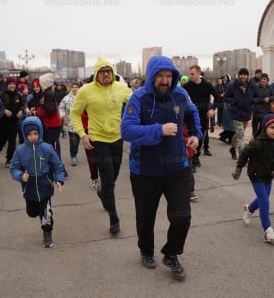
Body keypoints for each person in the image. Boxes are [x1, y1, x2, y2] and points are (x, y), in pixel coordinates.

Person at [121, 55, 201, 281]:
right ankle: (146, 251)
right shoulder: (138, 98)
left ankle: (171, 253)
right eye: (161, 76)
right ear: (151, 77)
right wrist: (158, 130)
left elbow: (193, 113)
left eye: (169, 76)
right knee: (146, 218)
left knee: (182, 216)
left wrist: (196, 134)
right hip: (145, 171)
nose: (165, 80)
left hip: (177, 168)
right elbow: (126, 131)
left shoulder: (181, 94)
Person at [70, 58, 132, 235]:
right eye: (103, 71)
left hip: (117, 139)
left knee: (114, 176)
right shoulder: (86, 91)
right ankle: (114, 218)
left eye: (109, 71)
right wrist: (83, 135)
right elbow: (74, 113)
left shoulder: (121, 88)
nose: (106, 74)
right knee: (108, 180)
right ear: (97, 74)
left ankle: (103, 193)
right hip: (98, 140)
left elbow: (137, 102)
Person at [10, 116, 65, 248]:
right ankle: (37, 212)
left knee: (46, 212)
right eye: (29, 134)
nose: (33, 137)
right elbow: (14, 168)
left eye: (35, 133)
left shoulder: (47, 148)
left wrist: (58, 179)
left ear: (40, 132)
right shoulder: (20, 151)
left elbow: (58, 166)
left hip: (45, 187)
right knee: (32, 212)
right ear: (24, 134)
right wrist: (21, 176)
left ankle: (47, 232)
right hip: (29, 189)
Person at [232, 113, 274, 243]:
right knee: (265, 201)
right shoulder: (257, 143)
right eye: (272, 127)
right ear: (265, 128)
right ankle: (268, 231)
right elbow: (244, 153)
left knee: (264, 198)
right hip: (256, 175)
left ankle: (249, 209)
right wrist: (238, 168)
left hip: (269, 175)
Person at [183, 65, 219, 167]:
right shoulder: (186, 86)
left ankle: (196, 156)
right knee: (190, 137)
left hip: (203, 116)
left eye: (192, 74)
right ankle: (191, 160)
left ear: (199, 74)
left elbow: (217, 97)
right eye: (189, 74)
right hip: (189, 117)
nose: (190, 76)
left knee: (200, 137)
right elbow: (178, 96)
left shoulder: (207, 85)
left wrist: (212, 109)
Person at [224, 67, 259, 159]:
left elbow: (257, 97)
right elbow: (226, 98)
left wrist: (252, 102)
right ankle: (242, 157)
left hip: (246, 113)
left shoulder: (252, 85)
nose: (243, 76)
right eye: (241, 74)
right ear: (239, 75)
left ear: (248, 76)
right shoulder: (232, 85)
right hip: (236, 113)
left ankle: (232, 148)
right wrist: (233, 101)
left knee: (239, 133)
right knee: (241, 136)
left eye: (245, 74)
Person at [0, 76, 25, 168]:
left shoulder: (18, 95)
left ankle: (9, 160)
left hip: (14, 123)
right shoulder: (2, 95)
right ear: (7, 85)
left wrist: (21, 111)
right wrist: (4, 110)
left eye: (13, 84)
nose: (12, 85)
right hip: (3, 123)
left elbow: (23, 105)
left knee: (12, 143)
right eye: (10, 84)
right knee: (0, 143)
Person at [59, 82, 80, 166]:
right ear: (71, 88)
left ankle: (75, 153)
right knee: (73, 140)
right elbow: (60, 108)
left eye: (76, 87)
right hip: (70, 121)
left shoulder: (83, 97)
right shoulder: (66, 98)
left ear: (79, 88)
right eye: (73, 87)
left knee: (77, 140)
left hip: (80, 122)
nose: (74, 88)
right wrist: (64, 117)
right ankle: (73, 156)